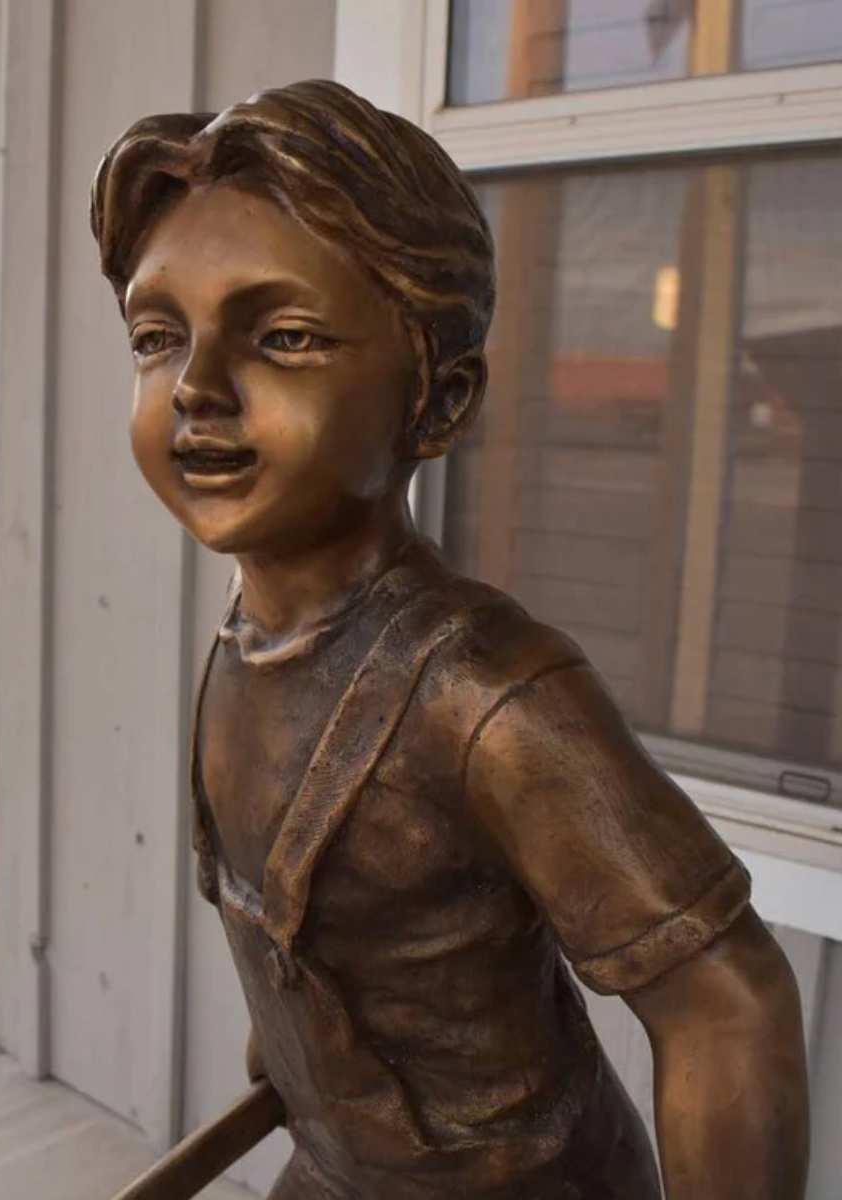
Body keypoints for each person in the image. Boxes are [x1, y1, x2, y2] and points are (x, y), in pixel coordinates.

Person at [90, 79, 810, 1200]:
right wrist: (295, 1064)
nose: (196, 389)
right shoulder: (249, 638)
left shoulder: (487, 701)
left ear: (441, 399)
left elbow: (731, 1003)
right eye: (156, 335)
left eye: (281, 337)